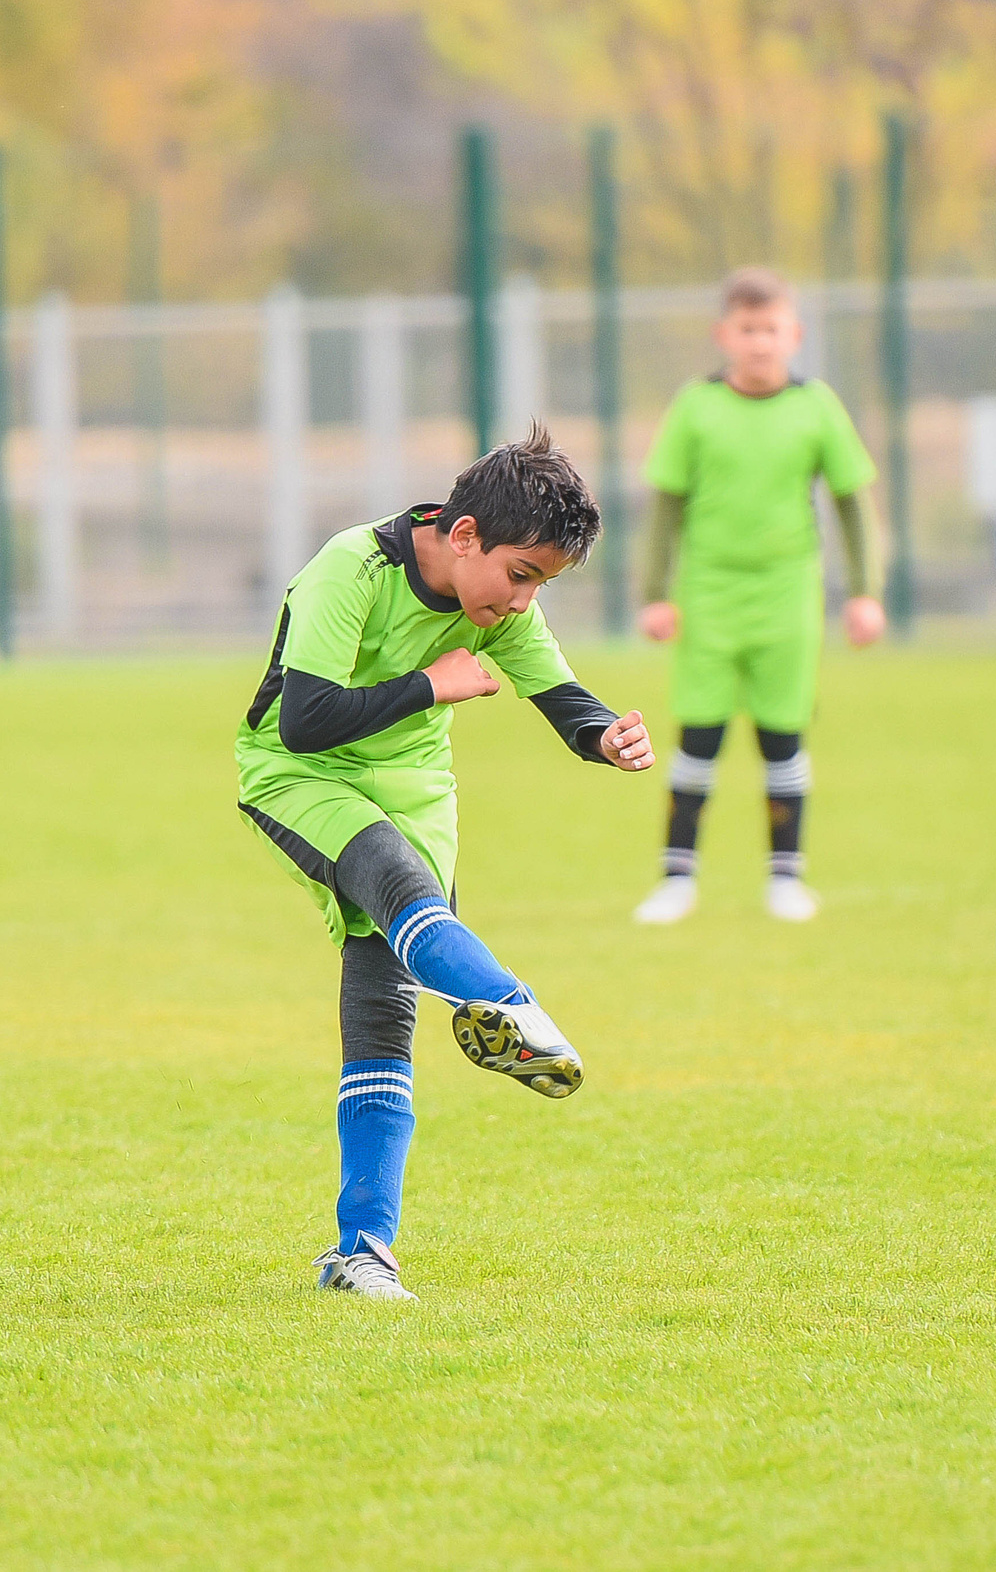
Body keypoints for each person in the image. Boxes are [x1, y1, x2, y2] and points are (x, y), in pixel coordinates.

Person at [236, 426, 654, 1302]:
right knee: (398, 883)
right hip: (299, 771)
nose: (521, 601)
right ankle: (510, 1003)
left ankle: (362, 1254)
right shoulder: (350, 569)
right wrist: (434, 682)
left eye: (539, 583)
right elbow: (304, 718)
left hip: (416, 784)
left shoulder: (494, 604)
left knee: (384, 1012)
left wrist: (605, 734)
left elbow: (560, 694)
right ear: (464, 536)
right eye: (520, 575)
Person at [632, 266, 884, 928]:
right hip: (708, 595)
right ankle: (676, 878)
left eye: (771, 328)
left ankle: (786, 879)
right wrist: (655, 593)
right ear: (725, 334)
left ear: (793, 333)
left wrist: (865, 593)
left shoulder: (816, 406)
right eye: (747, 329)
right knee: (698, 737)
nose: (760, 342)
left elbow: (853, 503)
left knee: (782, 738)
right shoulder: (696, 406)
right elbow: (666, 505)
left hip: (788, 596)